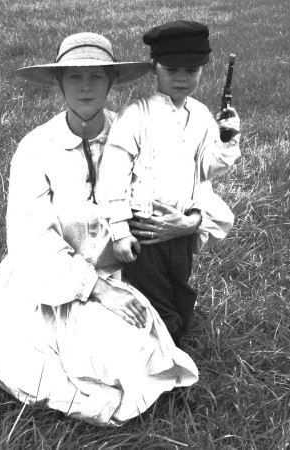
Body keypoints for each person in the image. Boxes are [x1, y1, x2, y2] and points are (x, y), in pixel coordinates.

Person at [0, 32, 198, 427]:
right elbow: (31, 236)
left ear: (112, 82)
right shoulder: (36, 148)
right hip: (48, 278)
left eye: (96, 76)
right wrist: (95, 287)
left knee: (128, 353)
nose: (86, 87)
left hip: (126, 272)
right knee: (38, 364)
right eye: (74, 77)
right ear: (59, 84)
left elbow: (185, 194)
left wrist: (188, 222)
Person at [98, 21, 241, 347]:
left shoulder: (202, 115)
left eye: (191, 70)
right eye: (171, 68)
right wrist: (120, 231)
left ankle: (176, 330)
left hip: (180, 227)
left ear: (203, 70)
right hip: (143, 228)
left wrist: (227, 140)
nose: (181, 78)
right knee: (152, 292)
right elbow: (114, 175)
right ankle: (165, 344)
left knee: (179, 285)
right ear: (154, 67)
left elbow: (208, 168)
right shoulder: (135, 115)